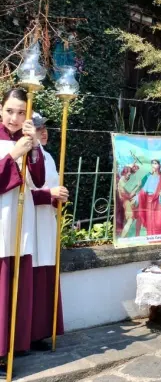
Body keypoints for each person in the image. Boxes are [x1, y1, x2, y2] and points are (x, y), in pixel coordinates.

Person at [0, 88, 46, 372]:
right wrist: (12, 155)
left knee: (18, 284)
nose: (15, 118)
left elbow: (38, 181)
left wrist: (34, 146)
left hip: (21, 219)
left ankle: (16, 343)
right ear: (0, 110)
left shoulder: (28, 140)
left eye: (21, 112)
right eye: (10, 111)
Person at [29, 113, 69, 350]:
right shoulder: (22, 154)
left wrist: (58, 197)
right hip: (27, 223)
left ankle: (39, 332)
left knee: (44, 276)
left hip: (45, 222)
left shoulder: (50, 157)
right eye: (38, 128)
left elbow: (52, 188)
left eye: (44, 128)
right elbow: (17, 195)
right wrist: (48, 195)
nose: (43, 132)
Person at [135, 159, 161, 236]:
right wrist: (138, 192)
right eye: (152, 164)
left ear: (159, 165)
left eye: (155, 163)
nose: (153, 165)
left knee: (159, 220)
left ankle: (160, 237)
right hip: (149, 201)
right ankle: (151, 237)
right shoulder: (149, 177)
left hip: (158, 201)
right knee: (150, 219)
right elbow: (144, 190)